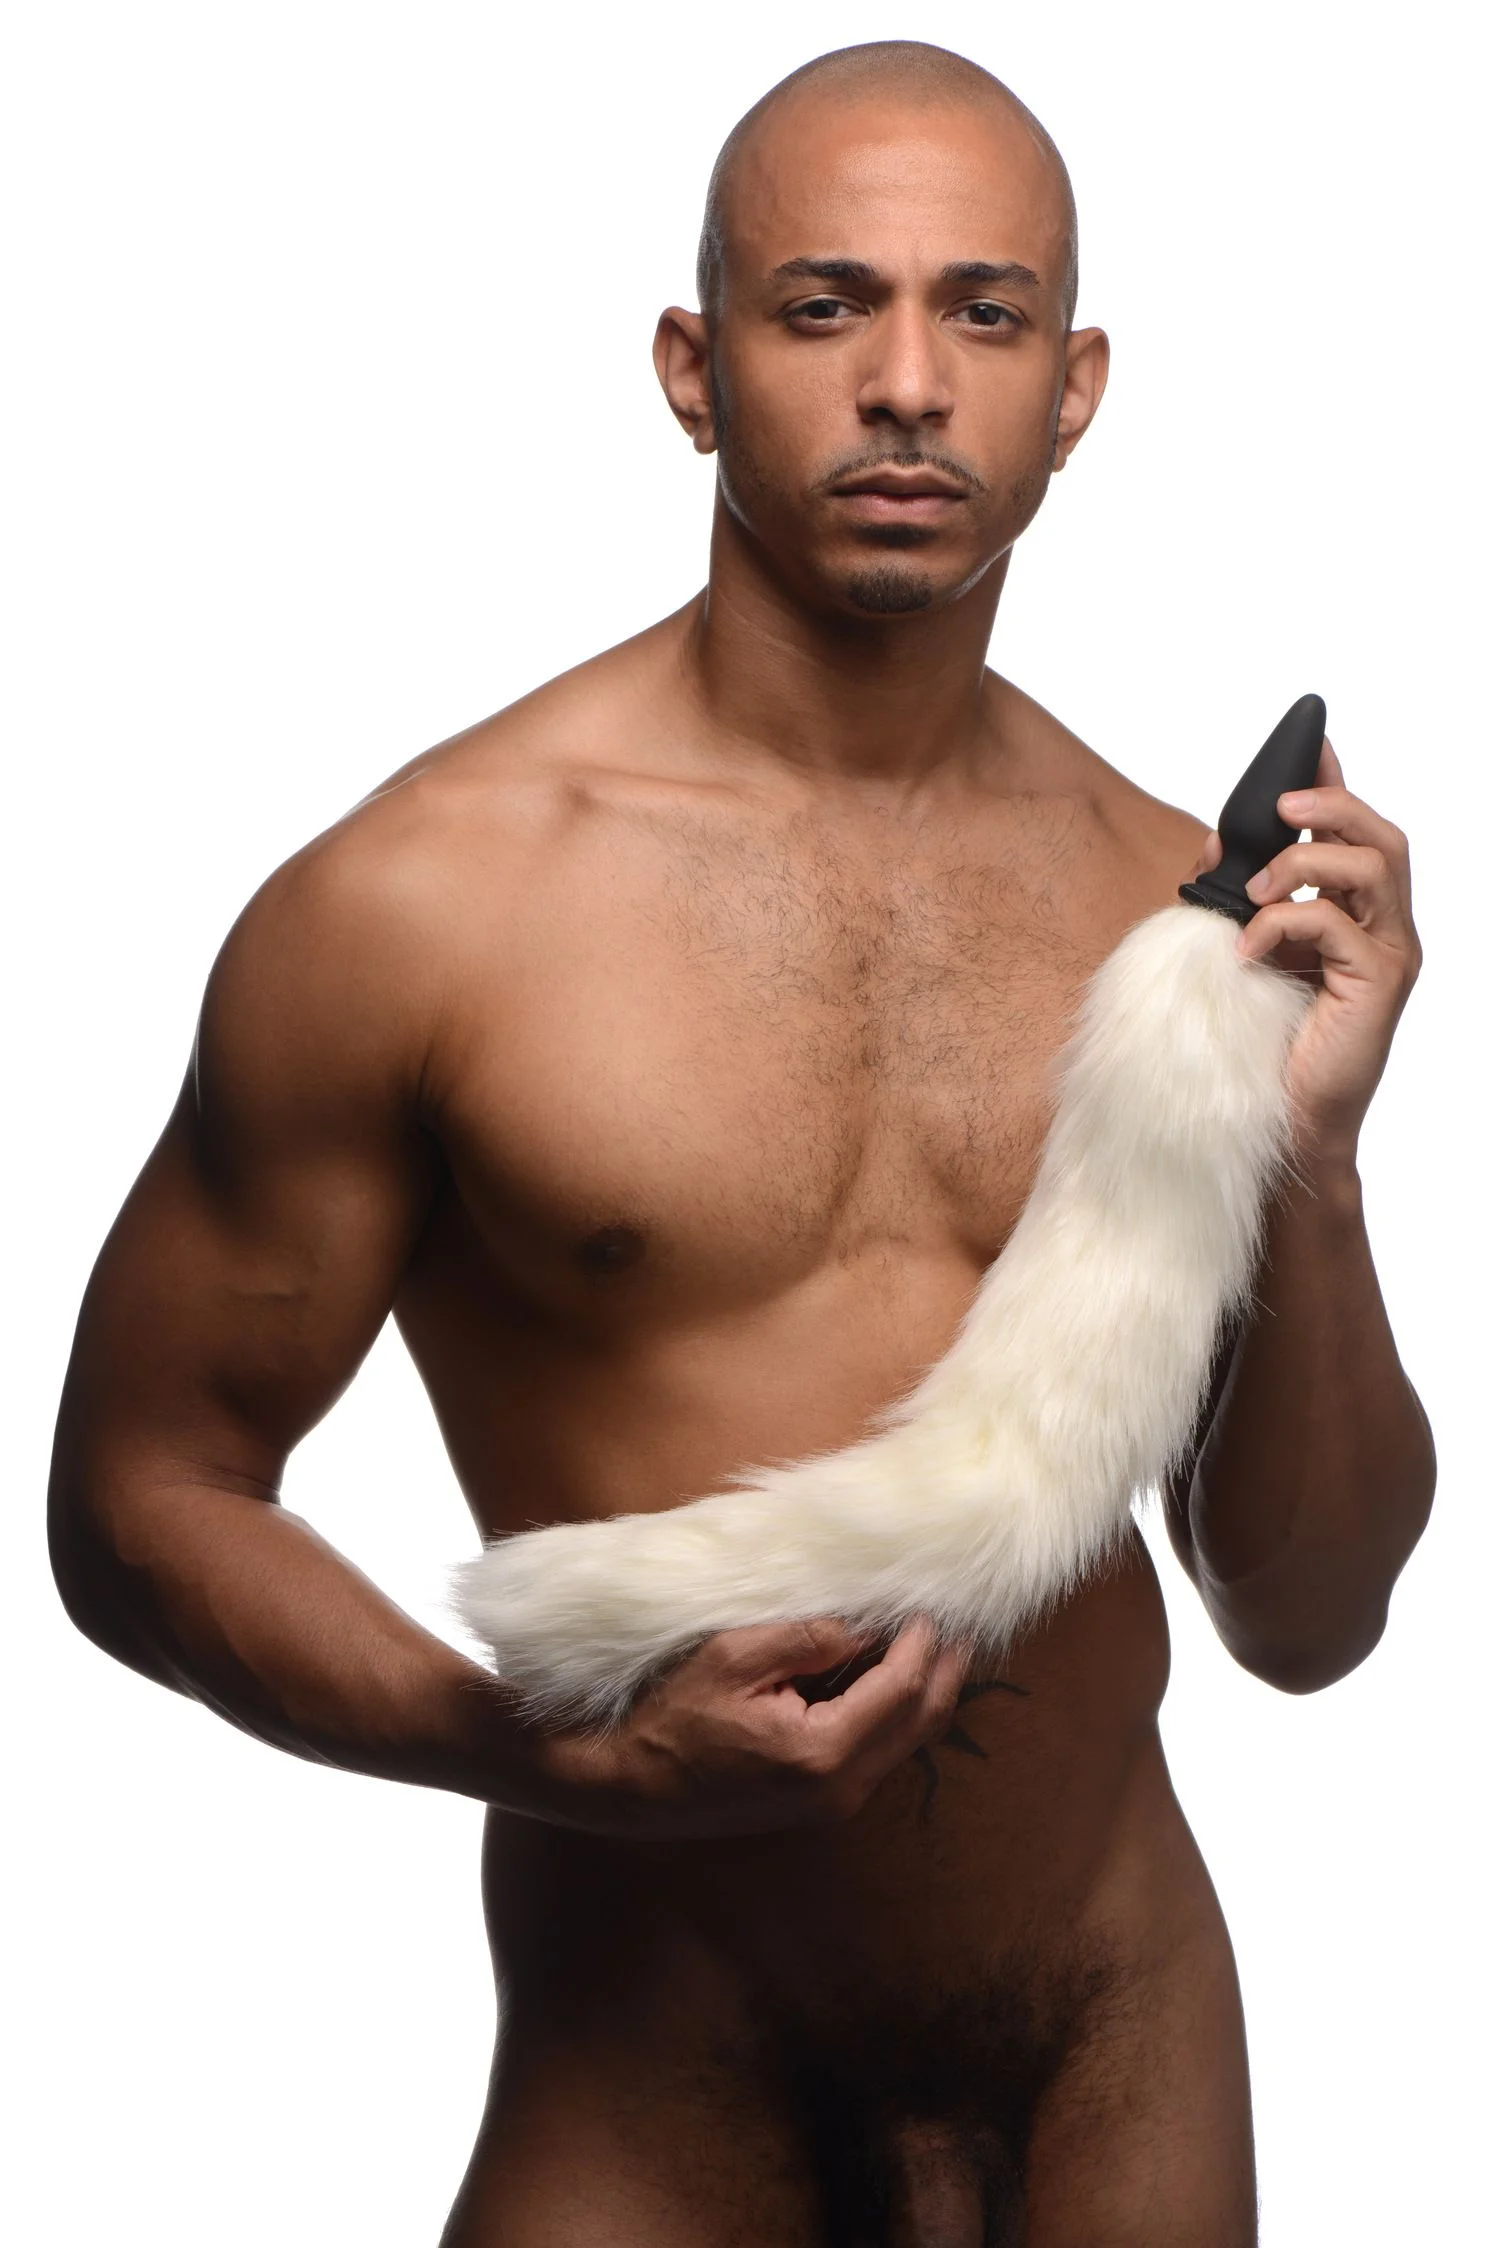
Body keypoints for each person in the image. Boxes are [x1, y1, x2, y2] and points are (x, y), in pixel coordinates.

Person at [48, 39, 1434, 2247]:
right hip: (654, 2080)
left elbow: (1308, 1614)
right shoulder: (424, 905)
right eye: (824, 307)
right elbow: (141, 1499)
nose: (909, 384)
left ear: (1074, 391)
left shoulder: (1171, 907)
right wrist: (541, 1750)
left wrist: (1319, 1170)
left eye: (985, 313)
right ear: (694, 373)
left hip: (1121, 2065)